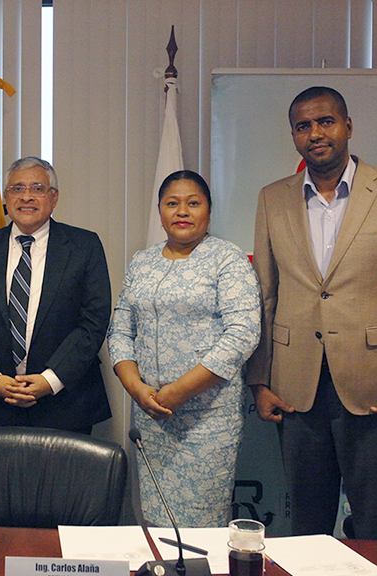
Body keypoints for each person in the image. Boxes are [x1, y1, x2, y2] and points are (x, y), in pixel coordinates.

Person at [247, 86, 377, 540]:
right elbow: (266, 294)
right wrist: (260, 380)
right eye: (303, 126)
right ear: (294, 136)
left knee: (375, 525)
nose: (315, 133)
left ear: (347, 126)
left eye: (325, 122)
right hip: (296, 388)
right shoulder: (273, 198)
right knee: (306, 526)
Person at [108, 170, 260, 527]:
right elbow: (120, 330)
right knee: (154, 520)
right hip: (151, 416)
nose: (182, 212)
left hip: (206, 421)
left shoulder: (227, 259)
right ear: (160, 211)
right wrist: (136, 389)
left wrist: (177, 392)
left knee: (200, 530)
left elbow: (242, 334)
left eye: (193, 203)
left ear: (209, 210)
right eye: (172, 203)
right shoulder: (142, 261)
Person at [0, 156, 111, 433]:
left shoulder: (84, 246)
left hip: (64, 403)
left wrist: (50, 380)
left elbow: (93, 322)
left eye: (38, 188)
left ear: (54, 197)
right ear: (6, 197)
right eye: (17, 188)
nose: (26, 197)